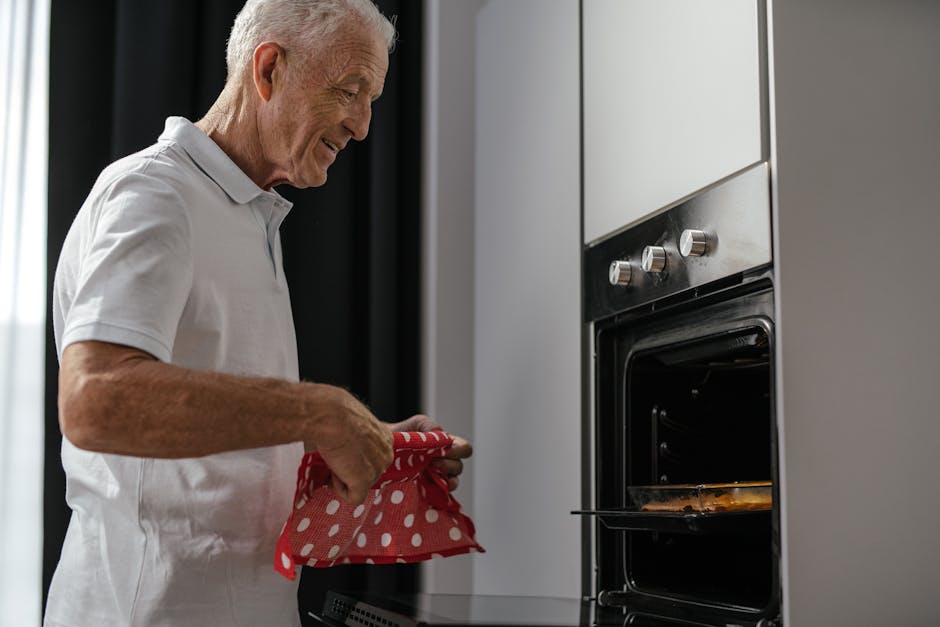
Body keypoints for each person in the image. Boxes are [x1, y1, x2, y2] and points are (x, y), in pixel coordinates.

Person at [44, 1, 471, 625]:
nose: (362, 126)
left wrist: (362, 444)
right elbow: (94, 400)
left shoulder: (248, 214)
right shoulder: (156, 194)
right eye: (350, 91)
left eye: (373, 98)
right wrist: (325, 412)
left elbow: (211, 464)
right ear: (268, 69)